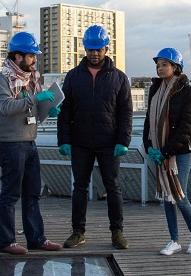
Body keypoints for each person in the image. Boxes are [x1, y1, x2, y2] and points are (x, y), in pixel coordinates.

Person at [57, 24, 133, 250]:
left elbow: (125, 112)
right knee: (79, 187)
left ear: (107, 48)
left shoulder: (119, 78)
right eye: (90, 49)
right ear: (85, 49)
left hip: (109, 143)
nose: (94, 53)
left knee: (113, 187)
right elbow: (65, 110)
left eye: (99, 49)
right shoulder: (73, 77)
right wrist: (64, 140)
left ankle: (117, 233)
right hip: (80, 143)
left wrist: (123, 141)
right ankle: (78, 232)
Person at [0, 31, 62, 255]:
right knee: (10, 195)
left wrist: (49, 109)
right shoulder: (2, 79)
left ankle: (36, 238)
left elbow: (32, 108)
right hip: (10, 144)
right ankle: (6, 241)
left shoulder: (32, 78)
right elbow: (6, 107)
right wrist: (35, 99)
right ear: (18, 56)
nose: (34, 60)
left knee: (33, 193)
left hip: (29, 143)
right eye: (31, 56)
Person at [141, 47, 191, 255]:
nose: (160, 68)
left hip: (181, 151)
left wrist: (166, 151)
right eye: (158, 65)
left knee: (179, 194)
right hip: (160, 150)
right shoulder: (155, 90)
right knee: (167, 196)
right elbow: (148, 122)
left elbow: (187, 127)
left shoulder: (188, 92)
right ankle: (174, 240)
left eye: (164, 64)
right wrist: (150, 147)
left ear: (176, 67)